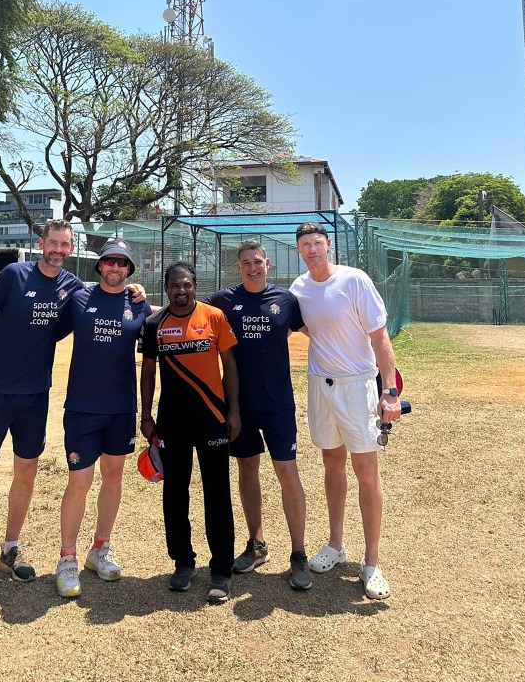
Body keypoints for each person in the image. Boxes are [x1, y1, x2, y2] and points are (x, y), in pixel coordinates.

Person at [0, 220, 145, 607]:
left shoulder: (71, 288)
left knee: (26, 472)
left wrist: (136, 292)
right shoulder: (15, 274)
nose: (58, 249)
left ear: (70, 248)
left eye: (65, 244)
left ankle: (9, 550)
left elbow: (111, 305)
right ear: (41, 243)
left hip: (35, 396)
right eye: (53, 243)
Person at [290, 222, 401, 600]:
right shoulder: (299, 288)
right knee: (331, 465)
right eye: (305, 245)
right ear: (299, 251)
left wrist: (389, 392)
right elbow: (307, 326)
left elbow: (379, 337)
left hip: (358, 385)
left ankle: (372, 563)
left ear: (328, 246)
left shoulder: (355, 280)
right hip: (321, 386)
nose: (312, 250)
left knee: (366, 471)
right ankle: (335, 545)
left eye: (317, 244)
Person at [207, 240, 312, 591]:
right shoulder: (222, 301)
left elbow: (322, 332)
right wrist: (140, 298)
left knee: (287, 472)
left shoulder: (286, 300)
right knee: (247, 469)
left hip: (278, 403)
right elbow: (187, 312)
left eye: (257, 261)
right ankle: (257, 545)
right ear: (238, 267)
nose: (252, 267)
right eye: (245, 263)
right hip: (239, 406)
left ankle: (299, 554)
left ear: (267, 263)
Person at [54, 239, 151, 599]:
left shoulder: (139, 304)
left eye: (122, 263)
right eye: (109, 262)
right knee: (79, 481)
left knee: (113, 477)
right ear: (100, 267)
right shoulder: (80, 298)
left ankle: (100, 549)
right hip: (82, 408)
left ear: (129, 270)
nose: (115, 268)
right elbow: (46, 326)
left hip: (121, 408)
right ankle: (67, 557)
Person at [140, 261, 240, 605]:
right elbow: (148, 373)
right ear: (166, 288)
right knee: (175, 493)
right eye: (174, 286)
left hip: (212, 419)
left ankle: (222, 570)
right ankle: (183, 562)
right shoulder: (154, 324)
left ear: (195, 286)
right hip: (171, 422)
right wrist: (146, 414)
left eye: (187, 285)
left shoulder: (213, 317)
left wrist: (234, 411)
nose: (181, 291)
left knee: (217, 493)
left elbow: (229, 365)